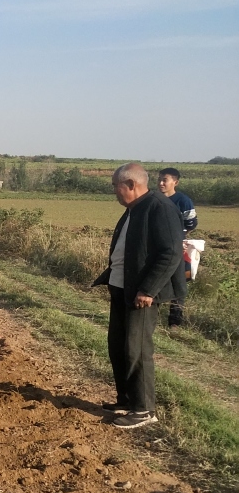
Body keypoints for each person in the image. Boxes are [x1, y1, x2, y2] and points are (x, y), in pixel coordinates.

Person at [92, 164, 182, 429]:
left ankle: (144, 410)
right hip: (122, 288)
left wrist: (148, 289)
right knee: (118, 346)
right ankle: (127, 400)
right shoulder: (134, 209)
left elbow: (170, 253)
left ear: (130, 184)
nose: (114, 192)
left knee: (136, 349)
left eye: (115, 186)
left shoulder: (159, 208)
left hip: (142, 294)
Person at [157, 167, 198, 330]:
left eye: (164, 180)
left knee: (179, 283)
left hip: (177, 249)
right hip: (157, 248)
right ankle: (152, 315)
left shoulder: (183, 201)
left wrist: (178, 237)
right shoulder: (153, 199)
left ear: (175, 182)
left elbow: (191, 223)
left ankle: (175, 322)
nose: (160, 183)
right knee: (157, 281)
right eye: (159, 179)